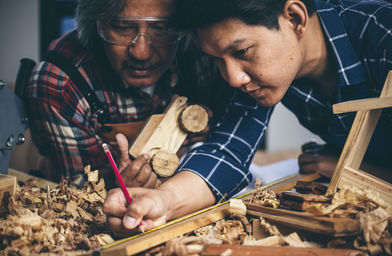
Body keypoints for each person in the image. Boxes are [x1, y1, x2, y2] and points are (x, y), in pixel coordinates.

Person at [103, 0, 392, 233]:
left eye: (242, 51)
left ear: (294, 18)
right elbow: (226, 150)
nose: (233, 78)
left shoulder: (383, 35)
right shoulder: (260, 74)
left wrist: (357, 171)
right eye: (217, 60)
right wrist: (163, 201)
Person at [26, 0, 231, 188]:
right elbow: (76, 184)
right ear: (96, 24)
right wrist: (116, 183)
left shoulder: (204, 53)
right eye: (122, 28)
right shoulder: (60, 83)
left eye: (161, 28)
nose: (141, 53)